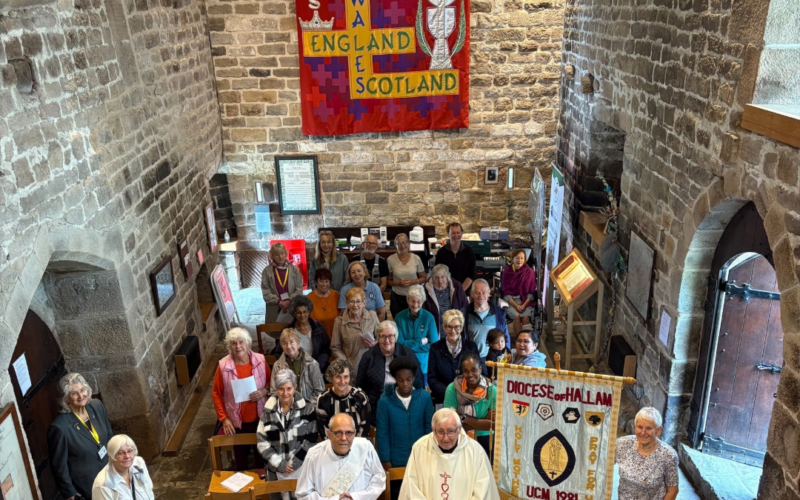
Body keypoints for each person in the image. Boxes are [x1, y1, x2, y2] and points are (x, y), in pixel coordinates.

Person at [399, 408, 499, 500]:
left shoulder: (475, 451)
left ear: (459, 429)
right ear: (433, 430)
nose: (445, 438)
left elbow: (483, 490)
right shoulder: (420, 448)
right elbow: (411, 489)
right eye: (440, 431)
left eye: (451, 431)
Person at [47, 373, 114, 500]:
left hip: (110, 472)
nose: (80, 396)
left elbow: (109, 435)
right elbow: (59, 465)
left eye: (82, 390)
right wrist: (69, 492)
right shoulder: (59, 427)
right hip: (88, 484)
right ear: (66, 399)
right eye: (74, 393)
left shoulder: (96, 406)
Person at [212, 328, 271, 470]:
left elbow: (271, 382)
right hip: (237, 421)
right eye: (233, 343)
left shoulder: (260, 360)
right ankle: (243, 486)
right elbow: (216, 393)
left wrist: (263, 391)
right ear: (229, 346)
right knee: (240, 459)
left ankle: (262, 487)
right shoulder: (223, 366)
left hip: (260, 417)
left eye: (241, 342)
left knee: (261, 456)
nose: (238, 346)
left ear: (248, 343)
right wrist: (224, 419)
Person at [257, 370, 318, 499]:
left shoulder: (307, 408)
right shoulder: (268, 411)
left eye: (289, 388)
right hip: (275, 470)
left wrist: (297, 461)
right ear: (276, 389)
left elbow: (311, 439)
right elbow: (262, 441)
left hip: (301, 468)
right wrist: (279, 463)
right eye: (281, 389)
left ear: (295, 388)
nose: (285, 393)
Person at [296, 413, 386, 500]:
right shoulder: (314, 455)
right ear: (328, 434)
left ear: (354, 433)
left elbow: (379, 479)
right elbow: (303, 494)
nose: (343, 438)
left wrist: (357, 497)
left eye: (348, 433)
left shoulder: (365, 448)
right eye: (338, 433)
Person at [356, 320, 423, 423]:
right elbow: (360, 387)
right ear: (377, 337)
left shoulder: (406, 353)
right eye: (382, 336)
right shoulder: (368, 357)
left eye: (390, 336)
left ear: (395, 337)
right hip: (377, 406)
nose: (387, 341)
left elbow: (418, 381)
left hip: (405, 403)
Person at [376, 357, 434, 471]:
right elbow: (382, 433)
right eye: (400, 380)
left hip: (421, 459)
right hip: (396, 461)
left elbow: (429, 429)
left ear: (413, 378)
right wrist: (385, 461)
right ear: (395, 379)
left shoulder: (425, 397)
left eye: (408, 379)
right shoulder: (385, 401)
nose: (405, 384)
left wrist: (430, 455)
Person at [616, 407, 679, 500]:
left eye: (649, 428)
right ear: (634, 427)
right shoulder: (622, 444)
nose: (643, 432)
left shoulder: (668, 455)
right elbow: (602, 466)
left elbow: (673, 490)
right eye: (639, 427)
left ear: (658, 430)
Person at [443, 352, 496, 456]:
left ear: (480, 369)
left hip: (485, 440)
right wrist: (482, 421)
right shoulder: (453, 388)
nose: (470, 375)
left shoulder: (491, 390)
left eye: (474, 370)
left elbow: (492, 425)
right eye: (465, 371)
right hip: (460, 437)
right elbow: (450, 424)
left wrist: (463, 418)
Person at [427, 309, 480, 405]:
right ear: (443, 327)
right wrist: (450, 394)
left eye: (456, 327)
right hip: (443, 398)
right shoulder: (435, 348)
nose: (453, 331)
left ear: (462, 327)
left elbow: (477, 374)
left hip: (468, 399)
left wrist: (465, 394)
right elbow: (432, 378)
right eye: (449, 327)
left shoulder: (471, 346)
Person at [331, 287, 380, 380]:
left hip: (372, 366)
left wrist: (374, 344)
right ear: (346, 303)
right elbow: (335, 347)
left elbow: (381, 338)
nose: (355, 305)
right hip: (352, 369)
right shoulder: (339, 322)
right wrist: (346, 364)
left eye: (358, 301)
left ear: (364, 303)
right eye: (351, 301)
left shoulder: (372, 316)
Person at [315, 359, 371, 437]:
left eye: (346, 377)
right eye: (338, 377)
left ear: (350, 377)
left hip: (357, 444)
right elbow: (323, 430)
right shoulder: (323, 399)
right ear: (331, 378)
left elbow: (365, 427)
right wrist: (337, 446)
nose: (342, 381)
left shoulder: (360, 396)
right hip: (332, 445)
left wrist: (354, 446)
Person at [394, 285, 438, 382]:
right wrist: (421, 342)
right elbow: (399, 344)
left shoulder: (429, 317)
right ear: (407, 300)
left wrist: (409, 344)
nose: (415, 304)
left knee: (422, 392)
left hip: (423, 365)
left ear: (423, 301)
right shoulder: (399, 317)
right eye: (412, 301)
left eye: (419, 301)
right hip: (404, 364)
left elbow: (434, 345)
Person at [276, 295, 331, 372]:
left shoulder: (318, 327)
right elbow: (279, 353)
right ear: (294, 313)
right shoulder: (288, 329)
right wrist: (291, 368)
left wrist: (318, 365)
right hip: (294, 370)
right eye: (299, 312)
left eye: (305, 311)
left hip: (316, 369)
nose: (302, 315)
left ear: (309, 311)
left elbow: (326, 349)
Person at [271, 329, 325, 407]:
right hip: (286, 408)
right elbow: (274, 391)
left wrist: (306, 407)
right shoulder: (277, 366)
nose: (288, 346)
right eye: (284, 343)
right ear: (281, 346)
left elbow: (319, 390)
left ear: (298, 344)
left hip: (308, 408)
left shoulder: (312, 364)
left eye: (291, 342)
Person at [91, 434, 154, 500]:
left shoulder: (139, 462)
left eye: (130, 451)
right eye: (120, 453)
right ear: (111, 457)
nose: (127, 456)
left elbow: (149, 490)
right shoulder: (102, 485)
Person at [465, 279, 510, 359]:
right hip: (472, 359)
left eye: (484, 292)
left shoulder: (499, 314)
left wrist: (507, 354)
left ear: (489, 293)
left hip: (494, 359)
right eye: (477, 292)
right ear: (471, 294)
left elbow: (505, 337)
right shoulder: (464, 313)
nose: (481, 295)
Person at [386, 233, 426, 319]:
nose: (402, 245)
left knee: (414, 320)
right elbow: (388, 281)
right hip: (397, 297)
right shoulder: (390, 259)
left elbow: (423, 278)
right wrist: (398, 283)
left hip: (414, 298)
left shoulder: (416, 258)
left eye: (404, 242)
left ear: (408, 243)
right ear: (396, 245)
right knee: (398, 321)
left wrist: (413, 282)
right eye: (399, 243)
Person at [262, 242, 304, 323]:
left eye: (282, 253)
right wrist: (279, 301)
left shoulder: (295, 270)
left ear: (285, 254)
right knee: (276, 331)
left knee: (292, 330)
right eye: (277, 254)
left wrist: (289, 300)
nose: (280, 257)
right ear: (272, 256)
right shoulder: (267, 271)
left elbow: (299, 289)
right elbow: (265, 291)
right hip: (274, 307)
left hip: (292, 305)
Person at [422, 264, 468, 334]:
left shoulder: (457, 286)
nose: (440, 280)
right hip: (434, 328)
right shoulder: (426, 289)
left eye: (442, 277)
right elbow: (423, 310)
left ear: (447, 276)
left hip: (454, 327)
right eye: (436, 277)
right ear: (433, 278)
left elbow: (465, 306)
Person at [501, 248, 537, 334]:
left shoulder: (529, 272)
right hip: (510, 301)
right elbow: (505, 292)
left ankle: (527, 341)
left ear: (525, 260)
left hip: (526, 300)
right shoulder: (507, 271)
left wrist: (524, 305)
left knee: (525, 318)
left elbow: (531, 292)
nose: (519, 260)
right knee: (516, 316)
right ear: (513, 258)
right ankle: (519, 339)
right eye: (517, 258)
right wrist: (516, 306)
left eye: (522, 258)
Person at [433, 223, 476, 292]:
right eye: (453, 233)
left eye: (458, 232)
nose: (456, 235)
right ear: (448, 234)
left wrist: (460, 291)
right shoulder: (441, 252)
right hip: (446, 291)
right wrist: (449, 290)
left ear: (461, 233)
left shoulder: (469, 251)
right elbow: (438, 274)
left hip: (464, 291)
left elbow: (471, 274)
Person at [307, 268, 340, 338]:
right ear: (316, 282)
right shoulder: (308, 298)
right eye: (321, 281)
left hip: (335, 338)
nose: (324, 284)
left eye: (327, 281)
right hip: (317, 339)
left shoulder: (337, 296)